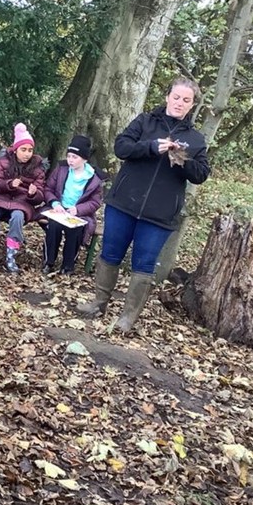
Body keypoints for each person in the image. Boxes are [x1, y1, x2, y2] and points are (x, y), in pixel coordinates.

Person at [77, 78, 210, 332]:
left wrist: (183, 159)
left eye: (186, 100)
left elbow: (201, 174)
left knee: (144, 264)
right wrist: (149, 147)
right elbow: (121, 147)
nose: (179, 103)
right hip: (124, 203)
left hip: (159, 215)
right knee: (110, 254)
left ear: (192, 105)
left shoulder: (196, 139)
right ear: (168, 96)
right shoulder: (145, 122)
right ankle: (99, 302)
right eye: (176, 97)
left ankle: (127, 318)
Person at [0, 123, 46, 273]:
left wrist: (33, 194)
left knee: (17, 216)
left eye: (30, 150)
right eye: (23, 150)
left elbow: (41, 195)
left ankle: (11, 257)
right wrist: (9, 184)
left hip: (21, 202)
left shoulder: (37, 168)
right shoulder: (3, 162)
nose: (27, 153)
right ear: (15, 150)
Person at [42, 134, 105, 275]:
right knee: (53, 227)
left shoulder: (94, 178)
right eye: (69, 156)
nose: (70, 160)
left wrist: (78, 209)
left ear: (84, 159)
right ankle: (49, 262)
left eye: (75, 157)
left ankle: (68, 266)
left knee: (75, 231)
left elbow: (95, 202)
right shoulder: (62, 168)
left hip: (78, 213)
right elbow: (48, 188)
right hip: (59, 209)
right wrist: (54, 202)